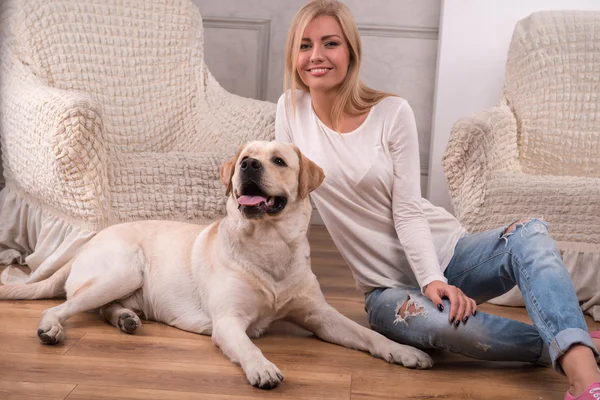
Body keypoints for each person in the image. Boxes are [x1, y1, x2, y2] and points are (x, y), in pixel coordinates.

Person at [274, 1, 600, 399]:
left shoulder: (391, 113)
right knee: (439, 326)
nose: (317, 56)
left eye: (330, 43)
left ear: (351, 52)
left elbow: (408, 209)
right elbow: (289, 199)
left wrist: (433, 279)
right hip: (385, 289)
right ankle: (576, 343)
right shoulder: (290, 109)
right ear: (293, 54)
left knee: (529, 237)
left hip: (450, 254)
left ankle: (583, 380)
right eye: (305, 45)